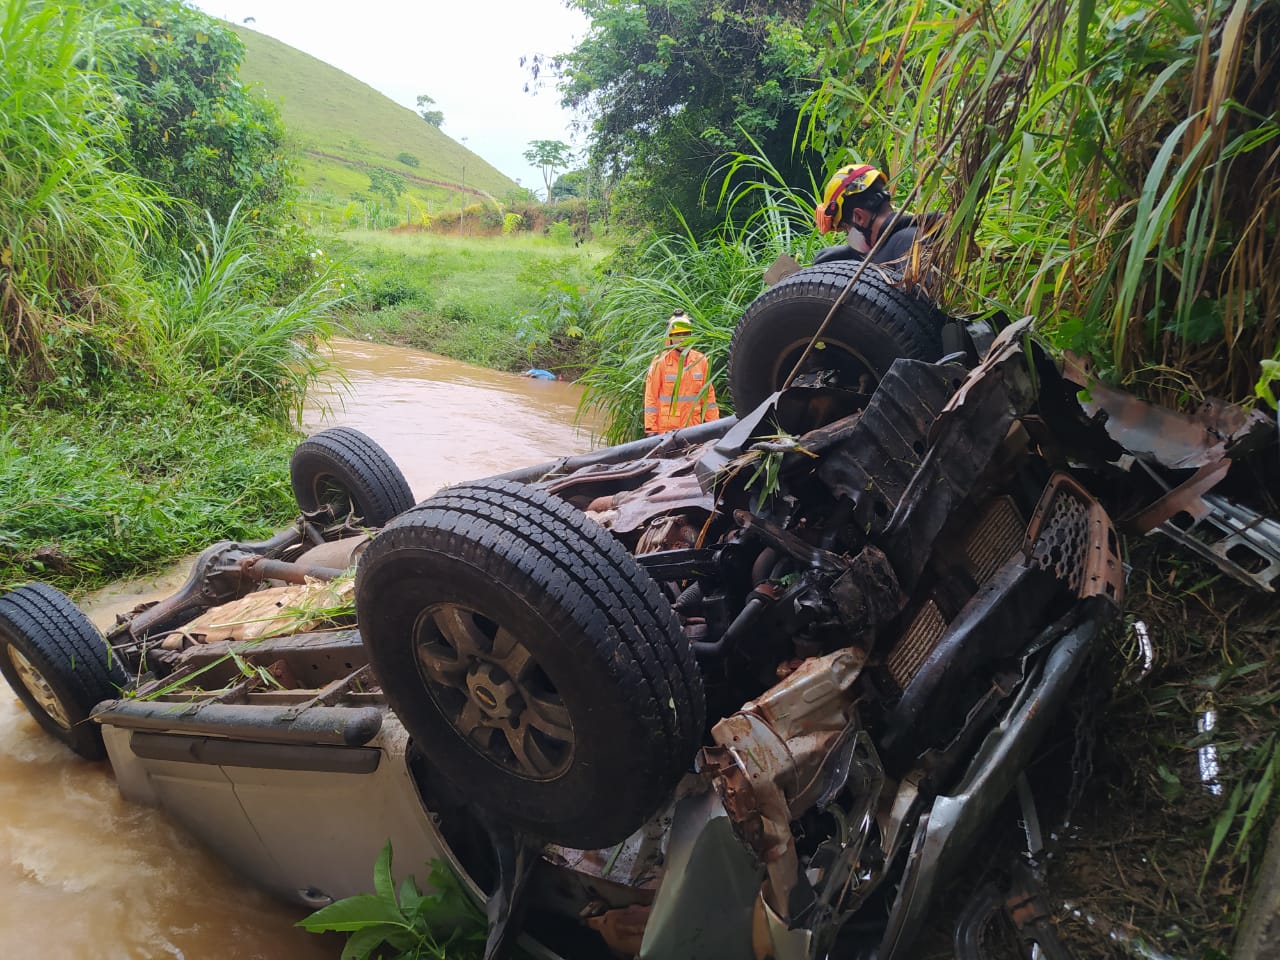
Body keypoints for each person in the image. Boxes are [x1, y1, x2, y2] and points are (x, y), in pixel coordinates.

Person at [812, 163, 939, 267]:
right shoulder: (892, 243)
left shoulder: (908, 241)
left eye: (846, 230)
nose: (847, 237)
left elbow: (916, 297)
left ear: (859, 217)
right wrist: (850, 255)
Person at [643, 310, 720, 435]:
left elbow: (708, 398)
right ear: (671, 337)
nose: (682, 338)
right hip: (667, 432)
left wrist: (715, 426)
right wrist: (651, 429)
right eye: (678, 334)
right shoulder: (660, 362)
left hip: (694, 429)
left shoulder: (700, 361)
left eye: (686, 334)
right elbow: (651, 397)